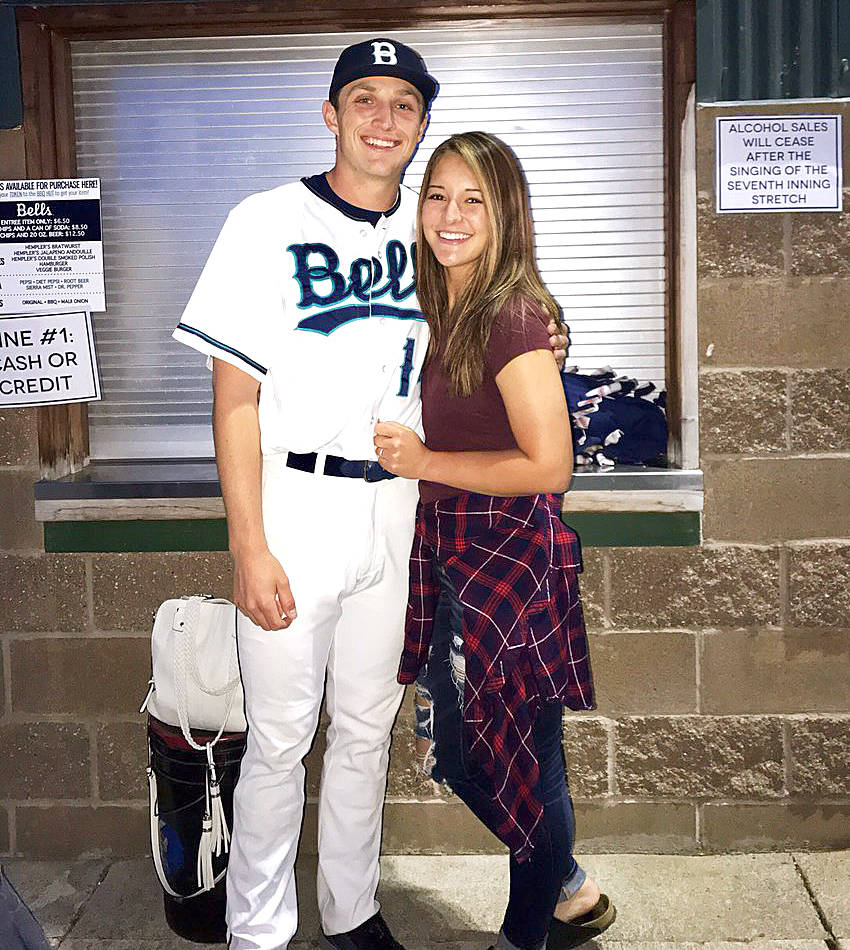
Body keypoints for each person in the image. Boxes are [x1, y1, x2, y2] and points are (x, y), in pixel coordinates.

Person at [172, 39, 567, 950]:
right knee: (278, 740)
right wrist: (248, 544)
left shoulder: (433, 230)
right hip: (296, 502)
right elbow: (235, 399)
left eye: (403, 105)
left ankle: (351, 913)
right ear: (331, 114)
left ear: (422, 125)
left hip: (397, 504)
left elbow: (500, 318)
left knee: (365, 725)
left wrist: (541, 325)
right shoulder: (263, 219)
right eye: (365, 100)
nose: (384, 120)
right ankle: (260, 930)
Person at [373, 132, 617, 950]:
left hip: (506, 556)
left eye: (472, 198)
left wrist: (430, 460)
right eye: (436, 194)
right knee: (464, 752)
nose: (450, 214)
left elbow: (552, 465)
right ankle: (570, 885)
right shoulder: (438, 301)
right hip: (450, 553)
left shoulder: (511, 315)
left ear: (504, 211)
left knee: (511, 757)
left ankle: (526, 933)